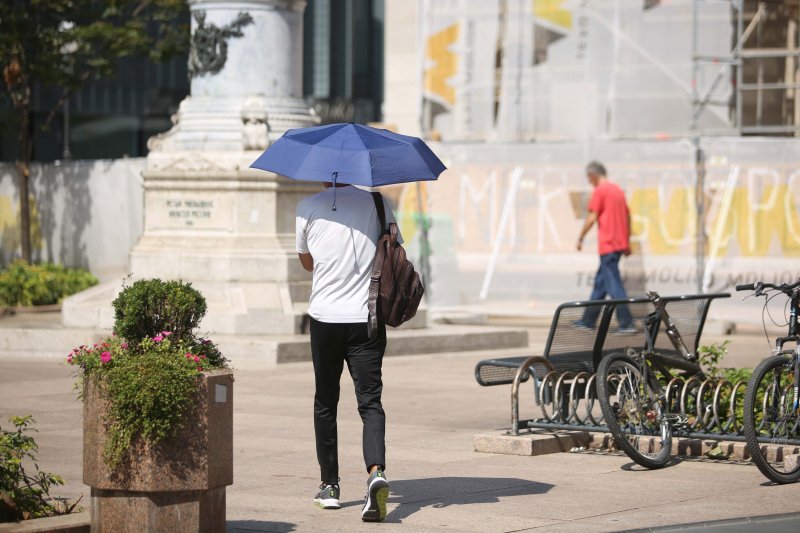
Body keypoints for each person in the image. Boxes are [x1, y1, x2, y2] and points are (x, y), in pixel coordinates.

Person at [296, 181, 400, 522]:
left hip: (325, 319)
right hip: (367, 318)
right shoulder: (379, 203)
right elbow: (395, 250)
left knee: (325, 402)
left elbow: (307, 262)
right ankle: (376, 472)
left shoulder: (308, 206)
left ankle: (329, 488)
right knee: (370, 401)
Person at [575, 161, 635, 332]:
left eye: (589, 179)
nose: (590, 182)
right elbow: (628, 217)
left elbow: (592, 217)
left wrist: (580, 237)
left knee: (613, 285)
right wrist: (627, 241)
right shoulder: (617, 190)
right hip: (618, 244)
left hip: (608, 245)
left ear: (593, 176)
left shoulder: (600, 191)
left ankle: (626, 322)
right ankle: (588, 320)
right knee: (600, 283)